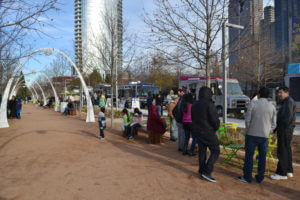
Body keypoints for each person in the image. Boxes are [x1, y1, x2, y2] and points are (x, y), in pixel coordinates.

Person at [238, 88, 276, 183]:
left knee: (249, 156)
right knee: (262, 157)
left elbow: (247, 120)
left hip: (252, 134)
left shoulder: (253, 104)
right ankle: (260, 177)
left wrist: (249, 130)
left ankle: (247, 177)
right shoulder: (272, 106)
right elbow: (274, 124)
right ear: (268, 95)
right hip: (264, 136)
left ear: (259, 94)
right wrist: (268, 131)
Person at [191, 87, 220, 183]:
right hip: (207, 131)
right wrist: (215, 128)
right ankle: (207, 171)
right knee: (216, 150)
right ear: (209, 94)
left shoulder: (195, 104)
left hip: (197, 131)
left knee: (202, 151)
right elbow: (214, 120)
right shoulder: (209, 104)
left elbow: (192, 118)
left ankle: (202, 170)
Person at [271, 86, 296, 180]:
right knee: (287, 150)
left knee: (282, 151)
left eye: (281, 92)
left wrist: (279, 129)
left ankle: (281, 173)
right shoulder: (288, 101)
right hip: (286, 130)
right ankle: (289, 170)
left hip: (285, 130)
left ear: (287, 92)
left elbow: (287, 118)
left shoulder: (288, 102)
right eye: (278, 92)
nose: (279, 94)